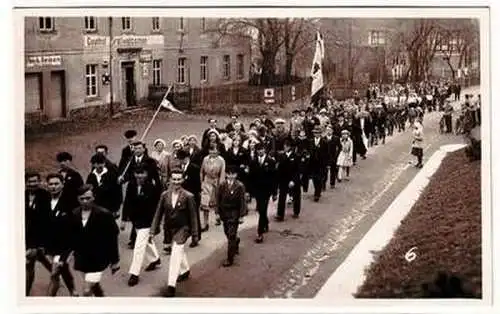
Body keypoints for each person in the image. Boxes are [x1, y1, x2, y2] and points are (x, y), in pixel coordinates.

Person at [150, 170, 200, 297]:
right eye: (174, 179)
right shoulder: (164, 195)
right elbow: (158, 213)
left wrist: (195, 234)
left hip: (183, 229)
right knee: (178, 250)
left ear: (182, 180)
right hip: (169, 229)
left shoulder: (189, 196)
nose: (176, 182)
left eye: (179, 179)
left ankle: (171, 285)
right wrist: (152, 231)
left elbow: (194, 217)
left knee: (175, 254)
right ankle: (185, 270)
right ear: (170, 180)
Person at [64, 185, 120, 297]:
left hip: (98, 259)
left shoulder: (104, 215)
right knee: (94, 286)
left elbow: (112, 238)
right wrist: (66, 255)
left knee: (86, 290)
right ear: (77, 199)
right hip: (82, 259)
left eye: (88, 198)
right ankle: (102, 300)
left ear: (93, 197)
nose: (85, 201)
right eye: (82, 198)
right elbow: (70, 238)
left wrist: (115, 261)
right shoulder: (74, 214)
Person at [123, 166, 161, 286]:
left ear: (146, 174)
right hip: (136, 220)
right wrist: (124, 219)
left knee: (138, 246)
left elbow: (157, 208)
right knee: (146, 241)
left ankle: (134, 274)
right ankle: (155, 259)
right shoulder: (131, 185)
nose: (139, 176)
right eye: (137, 173)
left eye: (142, 173)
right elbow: (127, 202)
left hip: (147, 221)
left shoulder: (152, 188)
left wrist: (156, 224)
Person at [44, 173, 77, 296]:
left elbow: (76, 226)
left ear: (62, 185)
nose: (53, 187)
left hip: (65, 245)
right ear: (47, 185)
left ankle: (49, 301)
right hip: (49, 245)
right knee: (62, 268)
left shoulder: (70, 202)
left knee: (55, 272)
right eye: (51, 184)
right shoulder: (45, 201)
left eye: (56, 184)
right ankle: (73, 291)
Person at [25, 171, 52, 296]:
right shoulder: (22, 195)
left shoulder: (45, 195)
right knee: (37, 259)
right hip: (26, 235)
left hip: (39, 235)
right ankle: (55, 273)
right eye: (30, 181)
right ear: (26, 183)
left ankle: (26, 292)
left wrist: (39, 243)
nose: (33, 184)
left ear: (39, 182)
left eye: (35, 181)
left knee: (31, 262)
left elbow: (45, 220)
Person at [216, 165, 247, 267]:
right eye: (229, 174)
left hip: (234, 213)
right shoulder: (222, 185)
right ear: (226, 175)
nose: (231, 176)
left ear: (236, 175)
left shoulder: (240, 186)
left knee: (231, 234)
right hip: (224, 212)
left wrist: (241, 215)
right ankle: (236, 241)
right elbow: (218, 199)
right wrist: (217, 212)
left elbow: (243, 201)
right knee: (227, 232)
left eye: (233, 174)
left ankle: (230, 258)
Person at [248, 142, 277, 243]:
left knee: (263, 208)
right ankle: (265, 222)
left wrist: (274, 193)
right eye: (258, 150)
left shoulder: (271, 162)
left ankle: (259, 233)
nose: (260, 151)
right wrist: (249, 192)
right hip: (257, 190)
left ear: (265, 150)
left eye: (262, 149)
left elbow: (274, 178)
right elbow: (250, 178)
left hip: (266, 190)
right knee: (261, 209)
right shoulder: (253, 162)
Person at [178, 149, 202, 247]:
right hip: (182, 197)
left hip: (193, 196)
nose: (180, 161)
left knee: (194, 217)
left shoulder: (194, 168)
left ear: (187, 158)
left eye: (181, 159)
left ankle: (196, 237)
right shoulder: (179, 168)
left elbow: (197, 184)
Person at [86, 154, 122, 218]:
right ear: (93, 164)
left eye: (101, 163)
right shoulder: (91, 176)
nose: (100, 165)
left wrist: (116, 209)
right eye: (97, 163)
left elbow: (117, 193)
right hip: (95, 207)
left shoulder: (111, 175)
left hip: (109, 208)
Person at [200, 144, 226, 230]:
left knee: (216, 202)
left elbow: (222, 173)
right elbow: (202, 171)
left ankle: (217, 215)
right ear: (209, 151)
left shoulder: (221, 160)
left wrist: (221, 185)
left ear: (218, 151)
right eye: (211, 151)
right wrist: (202, 183)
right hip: (207, 182)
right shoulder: (205, 159)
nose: (213, 152)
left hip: (216, 182)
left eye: (215, 151)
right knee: (205, 203)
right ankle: (205, 223)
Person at [274, 139, 301, 221]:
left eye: (286, 147)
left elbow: (298, 170)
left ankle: (296, 212)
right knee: (282, 197)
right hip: (284, 180)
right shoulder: (281, 156)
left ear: (289, 147)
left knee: (296, 196)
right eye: (284, 147)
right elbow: (279, 169)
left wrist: (293, 181)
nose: (284, 148)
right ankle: (280, 214)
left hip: (293, 179)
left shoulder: (296, 156)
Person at [309, 126, 328, 202]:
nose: (316, 134)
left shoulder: (324, 142)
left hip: (321, 163)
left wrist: (327, 164)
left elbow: (327, 153)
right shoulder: (310, 141)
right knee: (314, 178)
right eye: (315, 133)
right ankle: (317, 189)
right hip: (313, 163)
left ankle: (317, 193)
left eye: (318, 133)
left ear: (320, 134)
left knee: (319, 178)